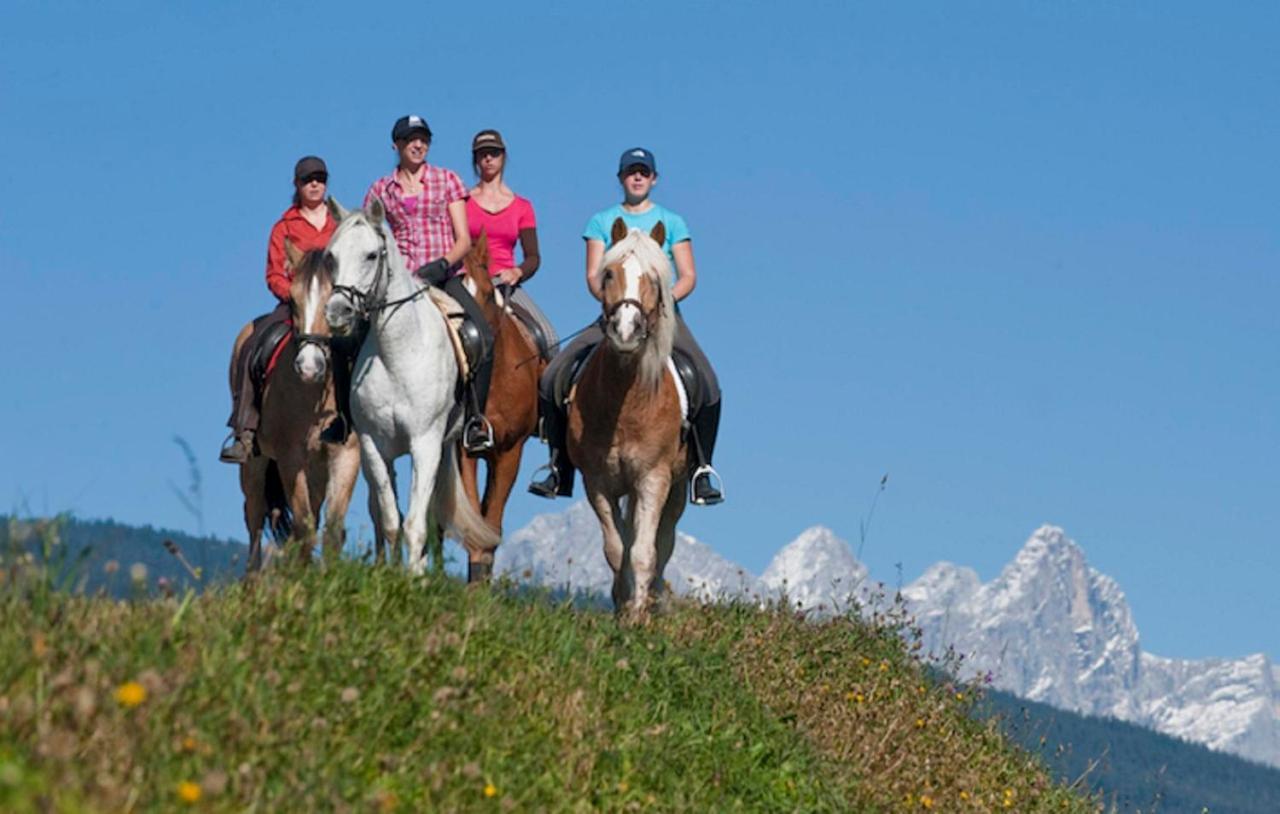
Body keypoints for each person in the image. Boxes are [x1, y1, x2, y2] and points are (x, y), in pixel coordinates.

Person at [528, 147, 724, 505]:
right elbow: (592, 274)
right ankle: (559, 465)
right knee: (554, 374)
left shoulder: (672, 222)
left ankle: (702, 469)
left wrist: (663, 302)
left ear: (653, 179)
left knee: (706, 382)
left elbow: (689, 275)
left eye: (644, 172)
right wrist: (614, 303)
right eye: (631, 172)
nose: (637, 178)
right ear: (621, 178)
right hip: (615, 312)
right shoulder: (602, 222)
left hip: (663, 316)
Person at [364, 114, 494, 453]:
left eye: (423, 139)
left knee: (480, 334)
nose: (418, 145)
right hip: (399, 284)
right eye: (410, 140)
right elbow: (371, 238)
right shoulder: (380, 190)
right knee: (353, 336)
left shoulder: (447, 180)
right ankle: (349, 417)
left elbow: (464, 238)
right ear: (397, 146)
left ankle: (474, 419)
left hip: (444, 275)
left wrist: (443, 264)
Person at [220, 155, 336, 464]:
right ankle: (244, 428)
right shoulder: (284, 226)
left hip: (333, 306)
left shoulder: (339, 225)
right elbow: (273, 274)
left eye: (320, 179)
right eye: (308, 179)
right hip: (295, 305)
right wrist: (297, 296)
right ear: (296, 185)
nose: (315, 184)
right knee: (255, 342)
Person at [464, 129, 558, 352]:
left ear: (503, 157)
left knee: (549, 338)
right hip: (469, 283)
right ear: (475, 159)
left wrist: (517, 272)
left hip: (506, 284)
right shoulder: (462, 201)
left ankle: (545, 388)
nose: (488, 158)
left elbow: (533, 257)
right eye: (482, 154)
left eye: (493, 153)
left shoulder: (522, 206)